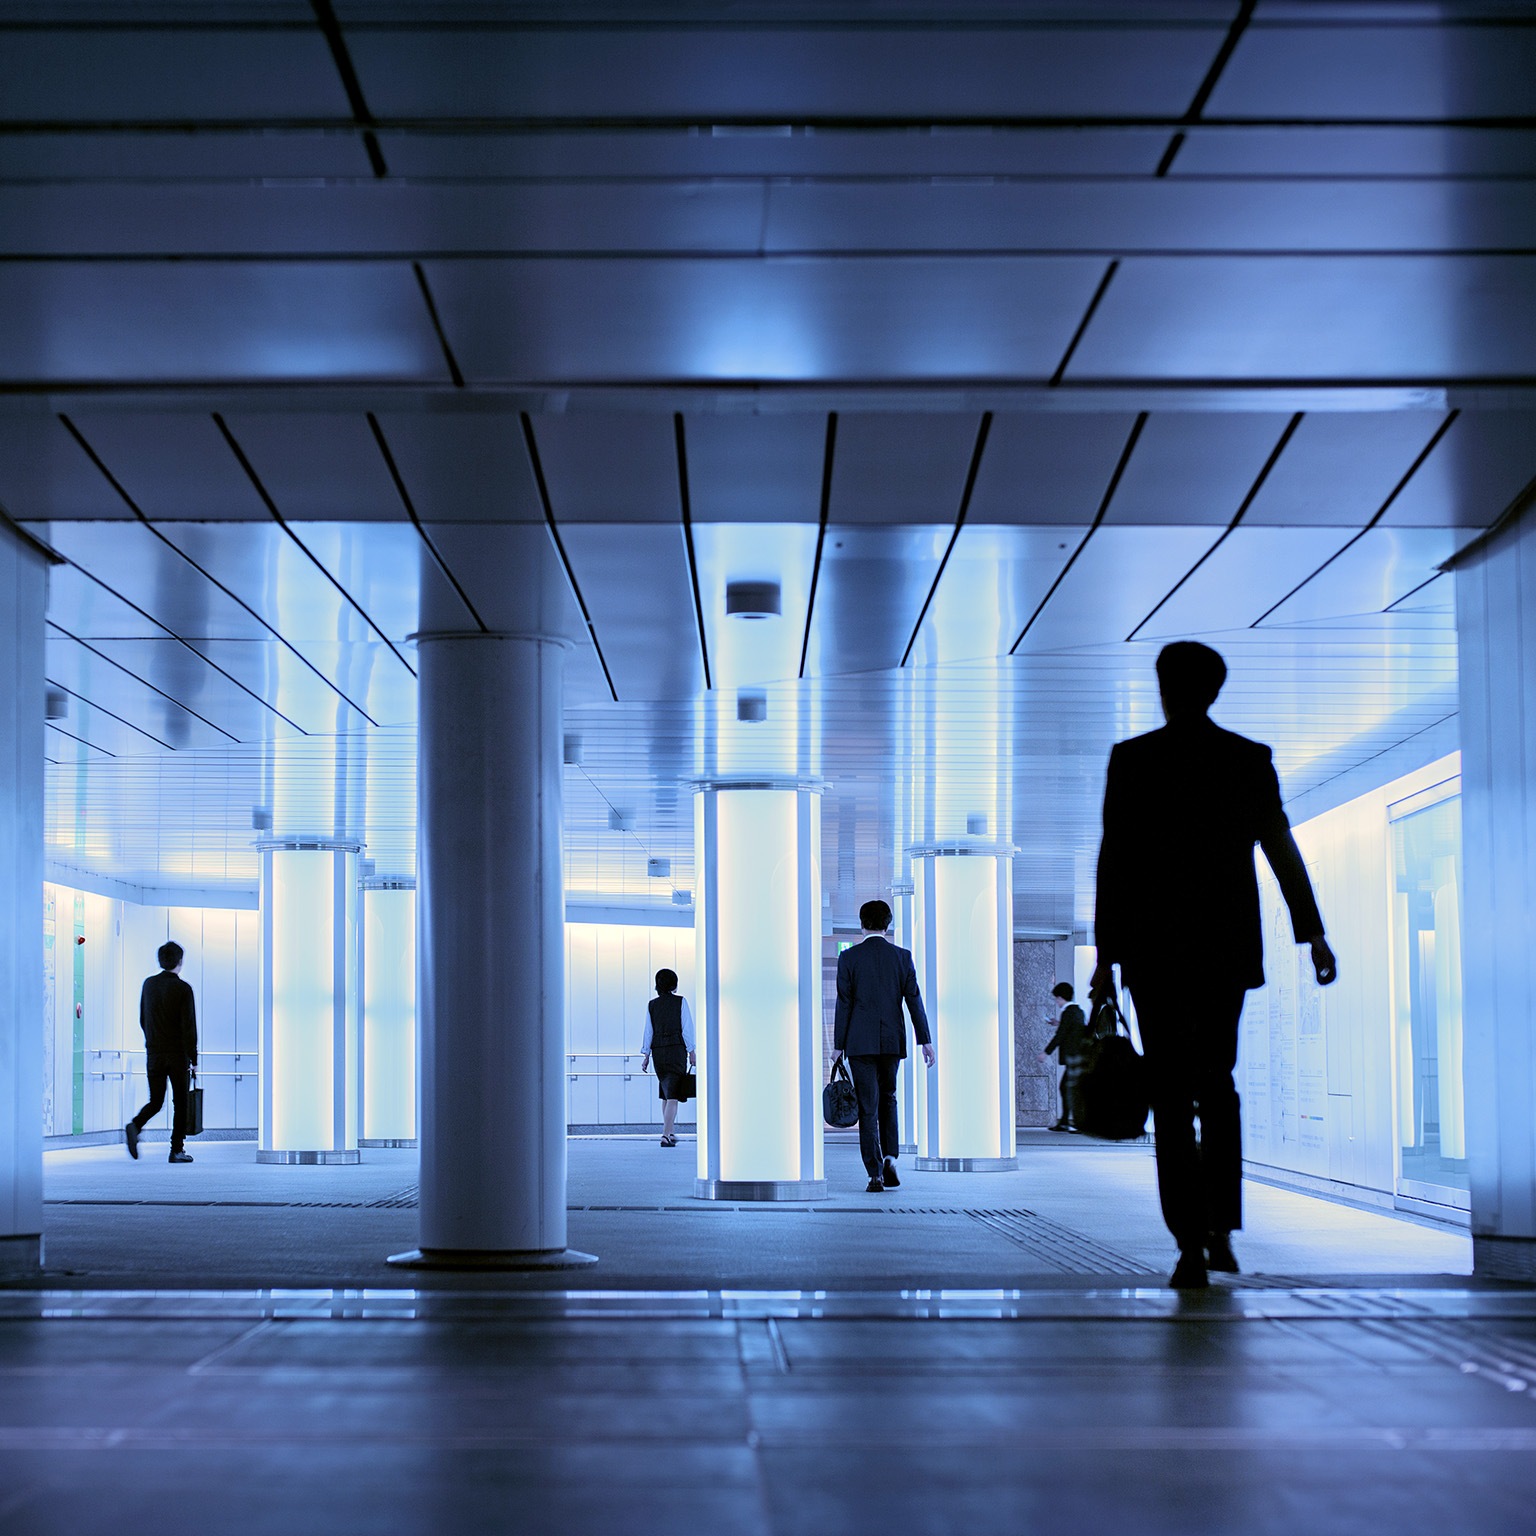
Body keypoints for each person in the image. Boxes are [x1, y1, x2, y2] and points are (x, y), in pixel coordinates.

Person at [1092, 641, 1337, 1290]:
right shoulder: (1246, 759)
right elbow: (1280, 847)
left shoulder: (1135, 760)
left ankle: (1188, 1245)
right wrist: (1311, 933)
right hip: (1225, 951)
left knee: (1171, 1095)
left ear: (1164, 689)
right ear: (1216, 691)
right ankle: (1220, 1227)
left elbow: (1114, 862)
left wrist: (1105, 956)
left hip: (1152, 952)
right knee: (1217, 1084)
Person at [833, 898, 936, 1193]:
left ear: (862, 923)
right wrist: (925, 1040)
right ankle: (890, 1157)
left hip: (859, 1044)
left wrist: (838, 1045)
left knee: (868, 1107)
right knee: (889, 1098)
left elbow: (844, 1003)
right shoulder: (902, 957)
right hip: (892, 1042)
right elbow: (913, 1001)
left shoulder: (849, 958)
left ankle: (874, 1173)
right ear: (888, 924)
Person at [125, 940, 199, 1164]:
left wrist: (152, 1042)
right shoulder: (183, 988)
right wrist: (193, 1058)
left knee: (156, 1101)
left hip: (154, 1053)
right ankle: (176, 1150)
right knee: (181, 1103)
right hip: (177, 1054)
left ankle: (136, 1125)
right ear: (180, 961)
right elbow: (189, 1026)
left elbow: (142, 1018)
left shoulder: (149, 985)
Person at [640, 968, 695, 1148]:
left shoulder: (652, 1005)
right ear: (674, 983)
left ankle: (669, 1132)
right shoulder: (680, 1002)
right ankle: (665, 1135)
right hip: (676, 1051)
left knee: (666, 1093)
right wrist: (692, 1051)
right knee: (673, 1096)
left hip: (658, 1053)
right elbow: (687, 1029)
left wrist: (646, 1055)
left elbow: (649, 1032)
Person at [1042, 981, 1088, 1132]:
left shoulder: (1068, 1012)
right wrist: (1059, 1023)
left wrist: (1046, 1052)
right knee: (1067, 1087)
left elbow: (1060, 1036)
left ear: (1061, 998)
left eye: (1057, 999)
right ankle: (1067, 1121)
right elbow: (1071, 1028)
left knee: (1068, 1088)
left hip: (1072, 1056)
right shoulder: (1078, 1011)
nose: (1056, 1002)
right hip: (1077, 1056)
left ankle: (1074, 1122)